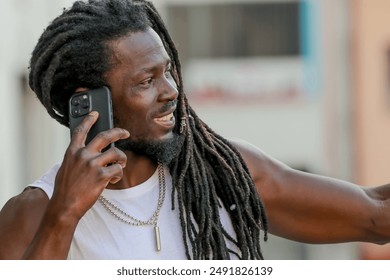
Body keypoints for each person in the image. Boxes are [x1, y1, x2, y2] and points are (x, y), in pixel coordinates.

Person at [0, 0, 389, 260]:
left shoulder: (222, 172)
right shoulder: (34, 212)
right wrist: (64, 215)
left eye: (167, 71)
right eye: (145, 81)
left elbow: (375, 215)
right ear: (90, 102)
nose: (170, 91)